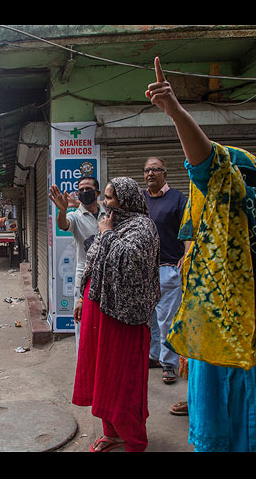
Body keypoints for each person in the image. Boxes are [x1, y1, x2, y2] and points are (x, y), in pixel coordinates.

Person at [147, 56, 256, 452]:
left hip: (232, 341)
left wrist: (176, 112)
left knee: (235, 426)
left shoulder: (238, 204)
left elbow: (210, 169)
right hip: (243, 339)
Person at [72, 177, 160, 452]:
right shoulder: (108, 223)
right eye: (106, 198)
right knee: (102, 376)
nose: (104, 202)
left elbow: (132, 263)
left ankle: (133, 438)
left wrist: (107, 233)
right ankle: (112, 432)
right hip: (99, 310)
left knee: (124, 379)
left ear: (125, 199)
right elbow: (93, 263)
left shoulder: (142, 227)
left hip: (126, 318)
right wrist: (80, 298)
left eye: (109, 198)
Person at [141, 157, 190, 384]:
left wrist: (185, 256)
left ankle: (169, 364)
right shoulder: (141, 200)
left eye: (155, 169)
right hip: (144, 271)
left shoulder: (178, 199)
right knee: (149, 318)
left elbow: (188, 230)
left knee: (167, 320)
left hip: (168, 268)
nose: (150, 173)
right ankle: (154, 356)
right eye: (147, 170)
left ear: (165, 173)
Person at [49, 176, 106, 353]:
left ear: (97, 192)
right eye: (80, 189)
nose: (84, 192)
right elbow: (63, 224)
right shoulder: (76, 217)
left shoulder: (108, 213)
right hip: (84, 279)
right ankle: (83, 366)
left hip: (108, 277)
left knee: (105, 324)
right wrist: (62, 210)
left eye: (88, 189)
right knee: (83, 324)